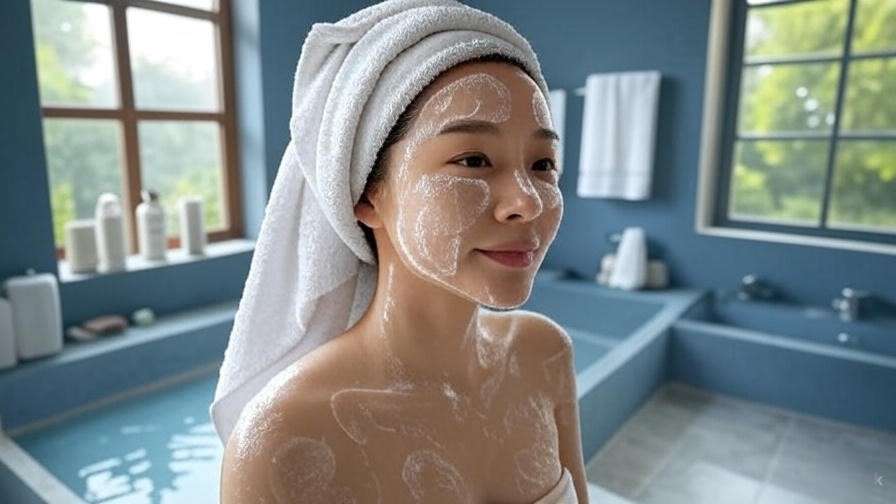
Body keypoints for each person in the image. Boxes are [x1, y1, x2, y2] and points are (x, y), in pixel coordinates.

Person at [214, 1, 587, 502]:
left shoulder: (542, 354)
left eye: (543, 163)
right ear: (367, 194)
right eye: (474, 159)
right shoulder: (285, 436)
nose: (528, 201)